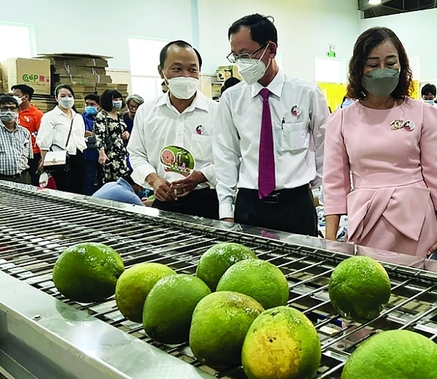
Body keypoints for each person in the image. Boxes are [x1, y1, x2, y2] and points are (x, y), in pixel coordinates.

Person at [323, 27, 437, 261]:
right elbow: (335, 183)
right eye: (373, 64)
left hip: (416, 221)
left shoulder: (426, 114)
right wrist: (331, 240)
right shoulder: (341, 120)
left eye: (390, 63)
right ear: (358, 69)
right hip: (365, 219)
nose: (382, 71)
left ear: (402, 66)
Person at [214, 14, 328, 235]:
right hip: (250, 204)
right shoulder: (231, 99)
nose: (241, 63)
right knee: (248, 268)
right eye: (236, 56)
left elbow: (326, 148)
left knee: (301, 268)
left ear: (271, 50)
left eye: (247, 55)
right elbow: (226, 156)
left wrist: (315, 190)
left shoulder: (307, 93)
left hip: (296, 204)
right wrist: (226, 209)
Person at [128, 40, 219, 219]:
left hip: (206, 201)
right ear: (161, 71)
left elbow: (231, 158)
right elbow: (136, 155)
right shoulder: (147, 112)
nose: (185, 76)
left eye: (192, 70)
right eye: (177, 69)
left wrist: (202, 175)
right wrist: (153, 180)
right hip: (163, 200)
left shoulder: (217, 112)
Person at [36, 84, 86, 193]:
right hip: (58, 157)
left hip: (77, 155)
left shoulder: (78, 117)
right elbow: (44, 139)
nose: (67, 98)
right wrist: (44, 160)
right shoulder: (50, 116)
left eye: (69, 95)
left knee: (78, 187)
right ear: (56, 98)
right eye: (63, 96)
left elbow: (80, 136)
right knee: (63, 188)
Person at [11, 84, 43, 185]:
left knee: (33, 182)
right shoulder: (12, 113)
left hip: (33, 155)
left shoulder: (37, 115)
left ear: (26, 97)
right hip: (16, 154)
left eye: (16, 95)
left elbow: (43, 137)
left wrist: (43, 158)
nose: (14, 98)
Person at [96, 89, 129, 184]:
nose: (118, 101)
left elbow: (121, 130)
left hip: (121, 154)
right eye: (115, 99)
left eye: (119, 99)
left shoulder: (118, 115)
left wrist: (126, 134)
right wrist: (102, 153)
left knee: (123, 180)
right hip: (110, 154)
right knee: (111, 182)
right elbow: (99, 136)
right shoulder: (102, 116)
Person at [0, 94, 32, 184]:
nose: (9, 111)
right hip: (2, 179)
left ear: (18, 110)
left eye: (12, 108)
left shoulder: (24, 132)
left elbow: (28, 156)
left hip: (23, 178)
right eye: (4, 108)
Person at [82, 93, 102, 195]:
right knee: (88, 180)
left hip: (102, 155)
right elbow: (83, 135)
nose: (89, 106)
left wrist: (93, 135)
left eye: (92, 104)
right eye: (87, 104)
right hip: (88, 154)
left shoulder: (103, 117)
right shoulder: (81, 118)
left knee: (102, 180)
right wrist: (97, 136)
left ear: (99, 106)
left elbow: (105, 136)